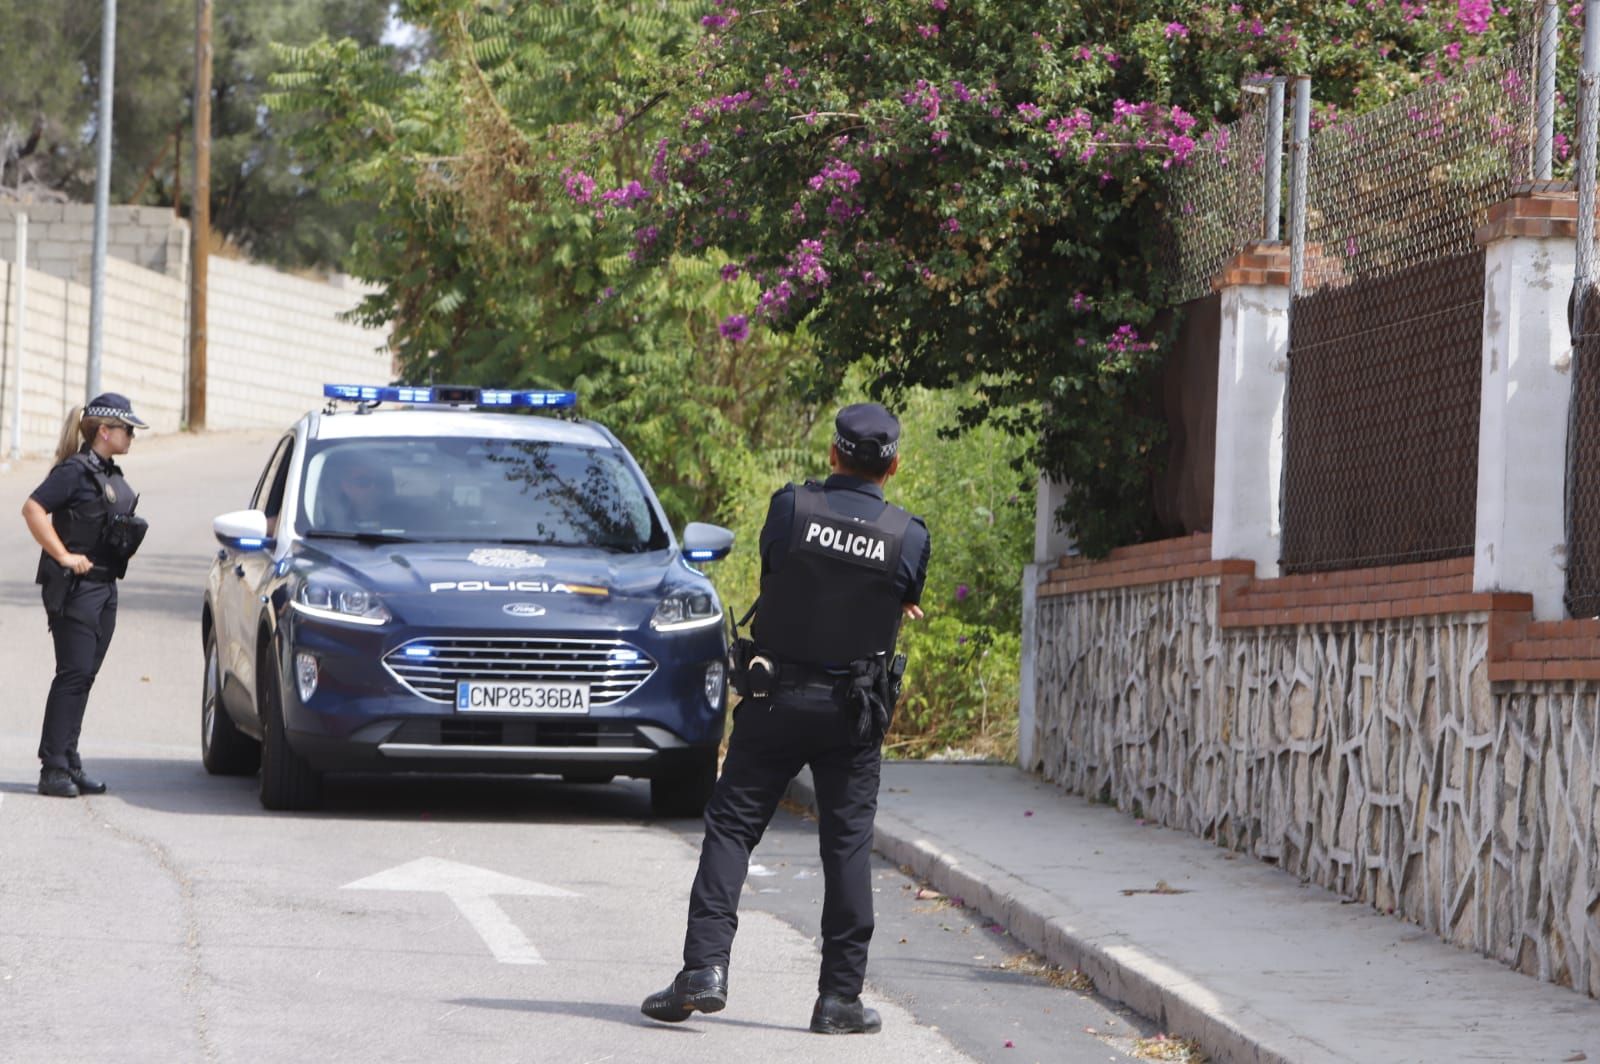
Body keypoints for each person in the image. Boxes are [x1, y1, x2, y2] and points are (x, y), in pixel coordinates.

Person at [642, 402, 930, 1035]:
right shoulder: (909, 536)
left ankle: (704, 970)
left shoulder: (791, 509)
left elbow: (779, 573)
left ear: (833, 455)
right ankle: (839, 1000)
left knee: (732, 829)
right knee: (846, 846)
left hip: (776, 699)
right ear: (895, 465)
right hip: (853, 711)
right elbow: (903, 596)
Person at [21, 393, 149, 798]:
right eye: (127, 429)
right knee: (72, 675)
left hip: (104, 586)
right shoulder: (74, 471)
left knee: (84, 677)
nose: (132, 436)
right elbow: (33, 509)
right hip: (76, 588)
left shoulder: (107, 472)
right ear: (104, 431)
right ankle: (52, 768)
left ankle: (69, 761)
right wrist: (62, 554)